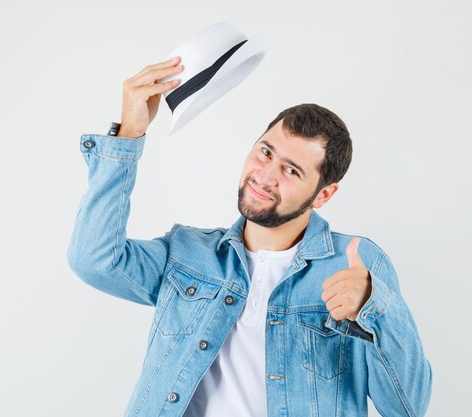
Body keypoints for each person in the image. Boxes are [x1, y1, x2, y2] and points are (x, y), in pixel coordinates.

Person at [67, 56, 432, 417]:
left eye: (291, 170)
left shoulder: (355, 265)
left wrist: (374, 307)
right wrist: (129, 134)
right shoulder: (187, 253)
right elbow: (94, 260)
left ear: (324, 194)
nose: (265, 176)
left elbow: (407, 408)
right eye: (265, 152)